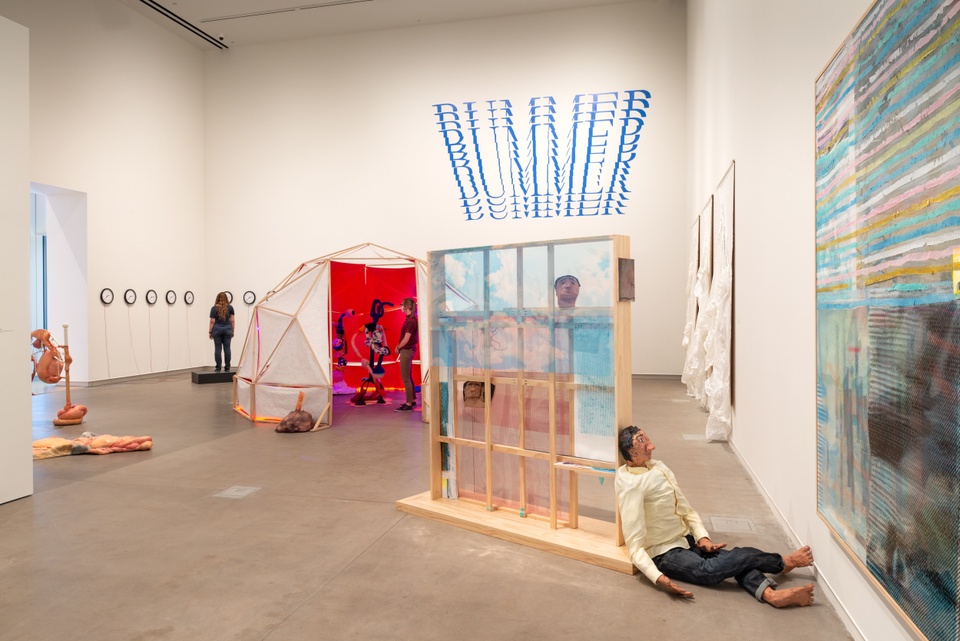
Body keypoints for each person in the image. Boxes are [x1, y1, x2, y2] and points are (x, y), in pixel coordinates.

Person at [615, 425, 816, 607]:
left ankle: (770, 594)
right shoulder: (631, 485)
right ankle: (783, 563)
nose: (651, 446)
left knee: (732, 560)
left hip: (686, 538)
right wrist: (658, 577)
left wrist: (702, 536)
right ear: (630, 454)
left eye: (646, 438)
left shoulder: (659, 467)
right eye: (642, 442)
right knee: (711, 569)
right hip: (665, 552)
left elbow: (686, 509)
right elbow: (634, 543)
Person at [394, 297, 419, 411]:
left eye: (402, 305)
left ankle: (408, 403)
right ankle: (412, 400)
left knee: (405, 377)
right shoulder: (411, 319)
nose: (401, 307)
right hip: (409, 350)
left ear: (407, 307)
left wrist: (398, 347)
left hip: (407, 350)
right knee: (408, 376)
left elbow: (406, 338)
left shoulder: (411, 321)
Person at [208, 292, 235, 372]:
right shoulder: (230, 308)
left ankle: (218, 367)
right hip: (227, 330)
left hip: (217, 330)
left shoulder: (214, 308)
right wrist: (232, 331)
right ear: (226, 298)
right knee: (227, 348)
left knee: (217, 348)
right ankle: (227, 367)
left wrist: (210, 332)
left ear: (217, 298)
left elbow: (212, 321)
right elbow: (232, 321)